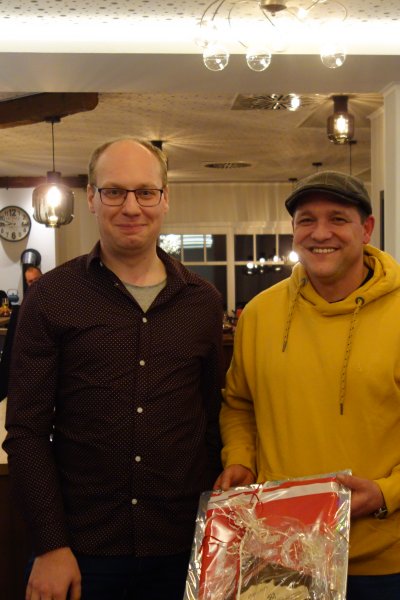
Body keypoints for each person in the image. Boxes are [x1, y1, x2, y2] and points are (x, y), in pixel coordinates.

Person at [4, 138, 224, 600]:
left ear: (165, 198)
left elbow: (210, 425)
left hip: (186, 547)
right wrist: (51, 545)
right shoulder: (51, 297)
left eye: (145, 192)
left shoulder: (202, 302)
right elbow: (26, 432)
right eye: (114, 191)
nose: (131, 207)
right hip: (81, 551)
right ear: (90, 197)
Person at [215, 170, 400, 600]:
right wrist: (240, 458)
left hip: (384, 562)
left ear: (366, 229)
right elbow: (239, 403)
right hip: (281, 557)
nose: (320, 233)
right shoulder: (259, 314)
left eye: (337, 219)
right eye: (307, 220)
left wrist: (386, 492)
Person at [0, 267, 43, 401]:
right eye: (30, 281)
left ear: (42, 278)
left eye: (36, 280)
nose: (33, 284)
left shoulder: (51, 299)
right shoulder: (26, 303)